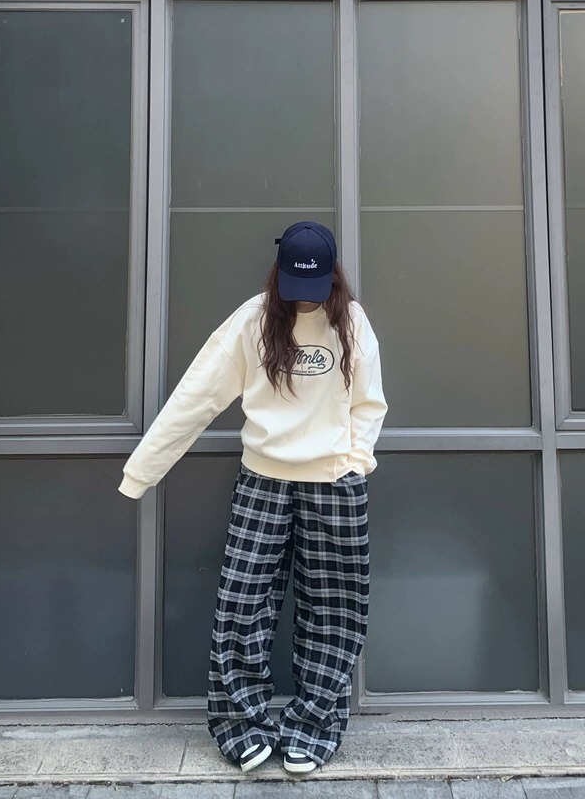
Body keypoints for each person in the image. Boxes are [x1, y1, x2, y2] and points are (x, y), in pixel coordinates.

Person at [118, 221, 388, 775]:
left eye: (314, 288)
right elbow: (195, 397)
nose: (304, 300)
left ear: (333, 278)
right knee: (242, 603)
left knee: (335, 608)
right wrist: (141, 472)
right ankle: (241, 723)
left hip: (334, 482)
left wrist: (353, 461)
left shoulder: (352, 323)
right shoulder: (254, 320)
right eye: (295, 286)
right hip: (263, 479)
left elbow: (370, 403)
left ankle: (314, 725)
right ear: (278, 274)